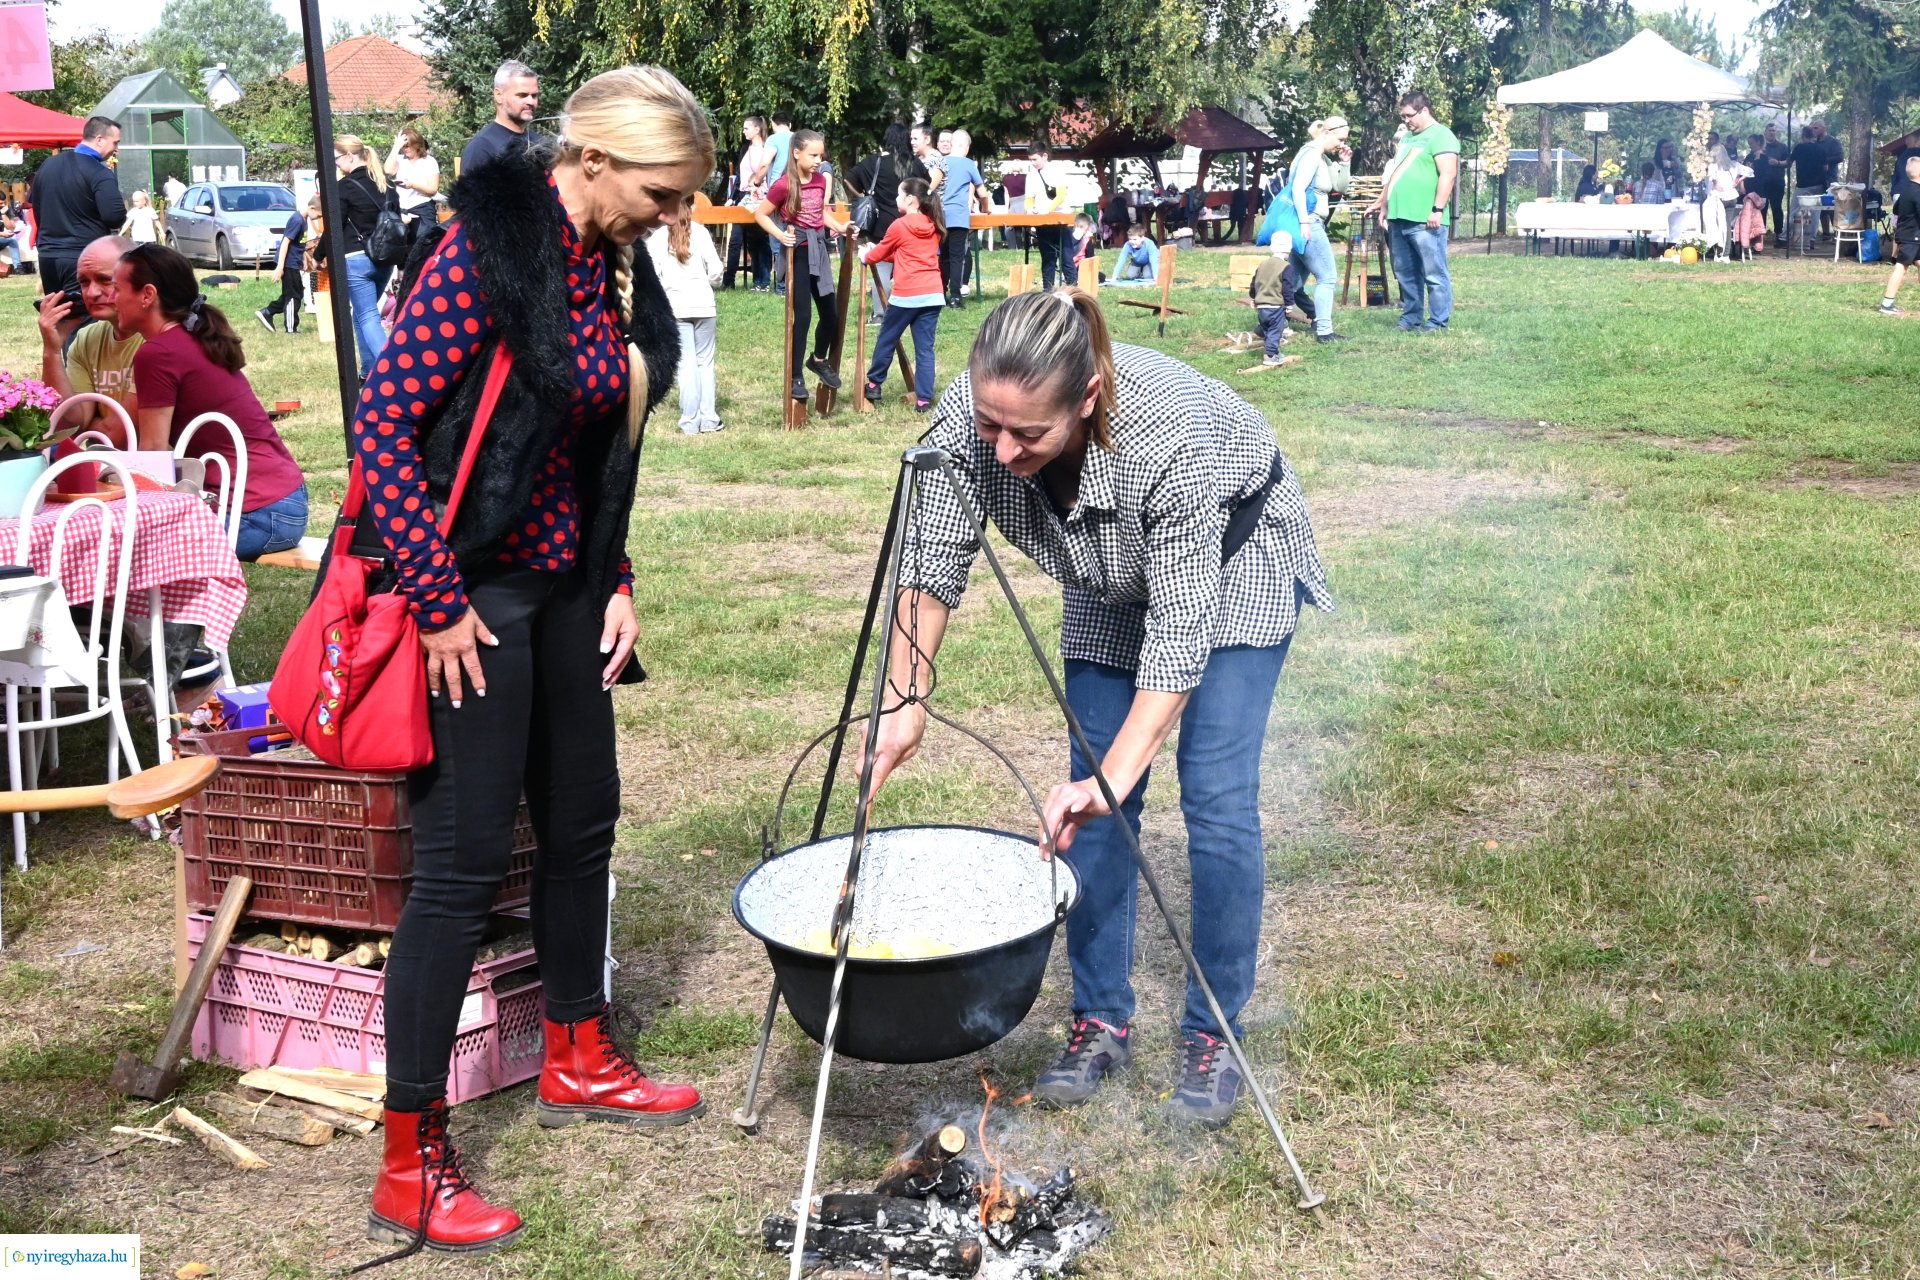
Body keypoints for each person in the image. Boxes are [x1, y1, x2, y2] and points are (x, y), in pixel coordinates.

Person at [345, 65, 713, 1262]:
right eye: (664, 191)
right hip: (473, 595)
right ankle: (410, 1159)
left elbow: (595, 447)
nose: (677, 217)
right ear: (595, 160)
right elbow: (386, 424)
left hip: (563, 588)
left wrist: (615, 578)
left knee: (584, 823)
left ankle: (577, 1050)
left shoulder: (609, 260)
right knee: (455, 873)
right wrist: (441, 603)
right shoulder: (485, 248)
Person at [866, 289, 1332, 1128]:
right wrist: (906, 700)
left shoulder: (1170, 436)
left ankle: (1214, 1030)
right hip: (1107, 572)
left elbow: (1183, 627)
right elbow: (931, 559)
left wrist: (1119, 772)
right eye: (987, 425)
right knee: (1091, 802)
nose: (1001, 450)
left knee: (1215, 800)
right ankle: (1100, 1019)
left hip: (1236, 559)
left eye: (1027, 434)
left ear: (1086, 399)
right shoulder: (972, 430)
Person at [114, 243, 308, 558]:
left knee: (124, 547)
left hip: (256, 515)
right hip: (282, 502)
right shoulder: (192, 335)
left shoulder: (158, 353)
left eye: (117, 289)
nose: (112, 298)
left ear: (147, 295)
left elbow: (151, 460)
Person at [756, 128, 856, 403]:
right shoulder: (783, 185)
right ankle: (795, 375)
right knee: (803, 316)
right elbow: (761, 214)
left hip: (819, 251)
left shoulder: (820, 182)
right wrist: (780, 235)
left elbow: (820, 213)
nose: (817, 160)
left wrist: (840, 226)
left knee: (831, 314)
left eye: (820, 155)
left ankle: (818, 359)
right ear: (797, 153)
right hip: (797, 253)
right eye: (813, 155)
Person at [37, 235, 139, 442]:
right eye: (84, 282)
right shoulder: (87, 339)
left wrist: (85, 428)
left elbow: (116, 436)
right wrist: (52, 351)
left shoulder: (157, 340)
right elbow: (65, 425)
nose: (91, 293)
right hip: (104, 464)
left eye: (105, 280)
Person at [860, 175, 943, 412]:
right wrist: (879, 253)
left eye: (899, 194)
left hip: (907, 294)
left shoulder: (900, 225)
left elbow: (878, 254)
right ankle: (924, 400)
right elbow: (903, 254)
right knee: (925, 349)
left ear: (910, 199)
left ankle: (875, 384)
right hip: (933, 294)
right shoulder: (934, 224)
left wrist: (865, 255)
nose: (896, 198)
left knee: (887, 339)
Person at [1375, 94, 1457, 333]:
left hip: (1425, 218)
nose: (1406, 121)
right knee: (1405, 272)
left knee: (1433, 272)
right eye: (1403, 116)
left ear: (1425, 110)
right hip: (1399, 217)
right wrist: (1385, 204)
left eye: (1409, 115)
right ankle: (1411, 318)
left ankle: (1438, 321)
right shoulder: (1408, 138)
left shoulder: (1442, 135)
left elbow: (1448, 174)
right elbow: (1396, 173)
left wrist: (1437, 209)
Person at [646, 202, 724, 434]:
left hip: (676, 307)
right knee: (705, 363)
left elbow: (652, 275)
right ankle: (709, 418)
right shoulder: (700, 232)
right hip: (703, 305)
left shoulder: (658, 238)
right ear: (692, 206)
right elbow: (716, 270)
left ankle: (690, 421)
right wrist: (711, 284)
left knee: (686, 364)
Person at [317, 135, 391, 379]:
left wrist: (318, 255)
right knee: (360, 314)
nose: (336, 165)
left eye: (337, 159)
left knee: (368, 315)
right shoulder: (385, 184)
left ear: (349, 156)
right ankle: (369, 373)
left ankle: (391, 371)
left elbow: (334, 227)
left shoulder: (344, 187)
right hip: (384, 259)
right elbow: (397, 224)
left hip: (357, 258)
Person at [25, 116, 125, 294]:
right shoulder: (100, 172)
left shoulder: (47, 165)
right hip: (83, 256)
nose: (117, 149)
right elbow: (114, 217)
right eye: (115, 143)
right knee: (86, 318)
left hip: (48, 255)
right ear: (99, 140)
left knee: (58, 314)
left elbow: (36, 208)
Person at [849, 123, 930, 318]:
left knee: (882, 269)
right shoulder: (913, 163)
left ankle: (879, 313)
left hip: (882, 224)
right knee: (911, 267)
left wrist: (863, 195)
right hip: (911, 223)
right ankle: (912, 310)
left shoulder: (873, 162)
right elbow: (926, 186)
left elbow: (849, 178)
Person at [1287, 116, 1351, 344]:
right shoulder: (1311, 154)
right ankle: (1324, 332)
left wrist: (1344, 163)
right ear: (1328, 132)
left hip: (1309, 223)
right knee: (1327, 277)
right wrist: (1304, 223)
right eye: (1340, 139)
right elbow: (1296, 189)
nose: (1342, 144)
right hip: (1309, 223)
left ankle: (1268, 323)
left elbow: (1341, 187)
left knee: (1291, 283)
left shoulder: (1322, 157)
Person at [461, 62, 549, 175]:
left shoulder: (540, 143)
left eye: (534, 96)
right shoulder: (482, 149)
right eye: (522, 95)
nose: (531, 102)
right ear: (499, 96)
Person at [723, 116, 773, 290]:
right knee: (735, 239)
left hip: (762, 196)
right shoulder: (745, 148)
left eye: (746, 128)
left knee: (760, 239)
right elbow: (738, 176)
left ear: (757, 129)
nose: (743, 132)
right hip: (743, 197)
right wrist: (732, 197)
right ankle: (728, 281)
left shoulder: (768, 148)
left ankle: (763, 280)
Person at [938, 130, 987, 307]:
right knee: (958, 257)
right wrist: (987, 209)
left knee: (943, 257)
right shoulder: (968, 164)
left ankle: (940, 293)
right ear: (966, 146)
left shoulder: (940, 162)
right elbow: (982, 193)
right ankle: (956, 297)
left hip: (940, 217)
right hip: (958, 217)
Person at [259, 195, 317, 333]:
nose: (318, 218)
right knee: (293, 296)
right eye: (318, 215)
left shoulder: (304, 220)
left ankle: (267, 312)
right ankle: (291, 328)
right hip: (288, 263)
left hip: (294, 262)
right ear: (312, 208)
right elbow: (285, 242)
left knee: (291, 293)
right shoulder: (296, 220)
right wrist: (280, 267)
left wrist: (303, 259)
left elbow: (299, 243)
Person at [385, 128, 442, 256]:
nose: (405, 149)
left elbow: (432, 189)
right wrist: (396, 146)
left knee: (425, 247)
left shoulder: (429, 161)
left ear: (417, 145)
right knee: (404, 250)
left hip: (423, 209)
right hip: (403, 210)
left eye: (408, 146)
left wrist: (412, 185)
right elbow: (388, 170)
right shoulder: (399, 160)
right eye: (403, 146)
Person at [1879, 155, 1920, 315]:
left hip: (1909, 235)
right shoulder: (1917, 192)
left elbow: (1896, 210)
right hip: (1912, 237)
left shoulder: (1906, 190)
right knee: (1901, 267)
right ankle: (1887, 304)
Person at [1026, 145, 1070, 289]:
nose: (1033, 163)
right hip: (1042, 221)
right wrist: (1029, 209)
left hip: (1061, 219)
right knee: (1047, 257)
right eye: (1030, 160)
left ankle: (1072, 287)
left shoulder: (1057, 171)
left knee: (1066, 257)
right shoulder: (1031, 174)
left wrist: (1047, 210)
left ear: (1045, 156)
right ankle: (1048, 290)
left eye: (1035, 159)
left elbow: (1061, 195)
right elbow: (1029, 197)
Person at [764, 112, 796, 293]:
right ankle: (795, 283)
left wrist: (756, 180)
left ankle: (782, 286)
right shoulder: (798, 139)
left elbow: (764, 163)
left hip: (778, 192)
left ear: (773, 124)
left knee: (777, 237)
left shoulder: (773, 139)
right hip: (797, 189)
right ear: (790, 124)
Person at [1248, 233, 1292, 365]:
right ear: (1288, 250)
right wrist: (1289, 305)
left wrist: (1254, 298)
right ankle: (1270, 355)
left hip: (1261, 306)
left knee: (1267, 330)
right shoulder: (1285, 266)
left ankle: (1274, 352)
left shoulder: (1263, 264)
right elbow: (1287, 288)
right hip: (1275, 306)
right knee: (1276, 330)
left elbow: (1254, 283)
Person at [1791, 125, 1829, 250]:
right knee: (1815, 213)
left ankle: (1785, 237)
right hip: (1818, 185)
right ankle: (1811, 239)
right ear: (1813, 136)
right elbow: (1826, 168)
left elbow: (1788, 162)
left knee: (1794, 210)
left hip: (1802, 184)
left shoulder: (1799, 148)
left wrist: (1777, 163)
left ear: (1803, 136)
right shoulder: (1821, 149)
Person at [1759, 125, 1791, 242]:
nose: (1772, 133)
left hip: (1777, 181)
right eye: (1770, 131)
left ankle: (1779, 234)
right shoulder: (1761, 147)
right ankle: (1760, 233)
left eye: (1774, 131)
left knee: (1777, 208)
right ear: (1765, 132)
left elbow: (1789, 162)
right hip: (1763, 183)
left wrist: (1778, 162)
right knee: (1762, 208)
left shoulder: (1782, 147)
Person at [0, 201, 24, 274]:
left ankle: (18, 267)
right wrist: (2, 234)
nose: (3, 205)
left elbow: (11, 227)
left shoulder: (6, 209)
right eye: (0, 203)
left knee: (13, 239)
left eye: (4, 202)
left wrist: (3, 214)